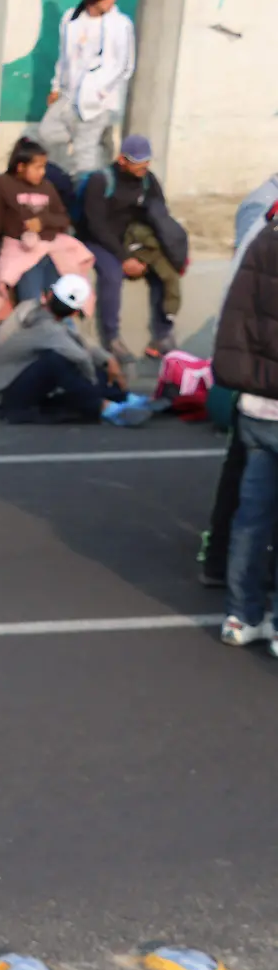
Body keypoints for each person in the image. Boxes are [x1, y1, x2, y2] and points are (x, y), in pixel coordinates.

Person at [197, 174, 278, 587]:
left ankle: (232, 577)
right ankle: (224, 565)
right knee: (247, 483)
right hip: (259, 376)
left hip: (255, 372)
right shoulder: (264, 208)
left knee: (250, 485)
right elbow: (240, 291)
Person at [210, 210, 278, 649]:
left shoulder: (263, 239)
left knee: (251, 518)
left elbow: (233, 320)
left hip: (255, 406)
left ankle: (241, 615)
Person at [0, 274, 152, 426]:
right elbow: (82, 357)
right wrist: (94, 383)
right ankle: (105, 406)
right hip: (1, 398)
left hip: (8, 384)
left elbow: (79, 340)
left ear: (49, 295)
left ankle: (121, 397)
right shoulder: (50, 330)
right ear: (75, 313)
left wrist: (108, 360)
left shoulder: (30, 307)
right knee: (60, 362)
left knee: (69, 359)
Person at [80, 135, 188, 359]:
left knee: (164, 269)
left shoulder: (149, 181)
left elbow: (160, 217)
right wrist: (124, 257)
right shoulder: (101, 182)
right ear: (122, 160)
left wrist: (172, 251)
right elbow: (96, 225)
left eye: (146, 161)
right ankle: (112, 338)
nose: (144, 167)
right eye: (138, 162)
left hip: (133, 239)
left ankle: (163, 334)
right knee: (111, 274)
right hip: (98, 241)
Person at [0, 138, 97, 333]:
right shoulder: (2, 185)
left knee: (61, 298)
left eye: (44, 167)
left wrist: (43, 221)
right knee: (31, 303)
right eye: (38, 167)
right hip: (20, 251)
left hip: (50, 251)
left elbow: (63, 219)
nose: (42, 172)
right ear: (20, 166)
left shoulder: (47, 187)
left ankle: (68, 340)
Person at [39, 0, 135, 176]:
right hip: (69, 95)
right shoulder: (70, 18)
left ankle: (86, 194)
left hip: (97, 101)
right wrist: (56, 87)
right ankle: (79, 177)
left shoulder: (120, 24)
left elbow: (125, 66)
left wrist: (101, 94)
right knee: (47, 133)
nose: (113, 0)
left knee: (86, 156)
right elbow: (63, 57)